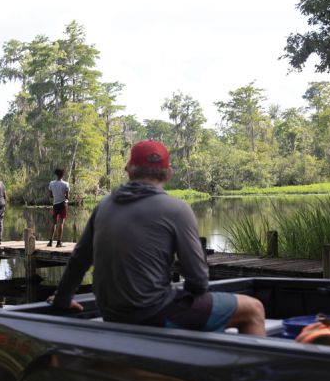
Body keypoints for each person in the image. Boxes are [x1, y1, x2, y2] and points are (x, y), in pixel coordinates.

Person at [48, 140, 265, 336]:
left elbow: (79, 260)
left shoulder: (104, 205)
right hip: (152, 314)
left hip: (112, 313)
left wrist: (62, 299)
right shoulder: (176, 208)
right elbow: (198, 282)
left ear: (128, 170)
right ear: (168, 173)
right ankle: (254, 380)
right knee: (253, 308)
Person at [47, 168, 70, 247]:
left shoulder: (51, 183)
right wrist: (64, 195)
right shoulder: (66, 184)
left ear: (56, 175)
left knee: (54, 223)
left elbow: (50, 195)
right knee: (61, 223)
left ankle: (50, 242)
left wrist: (56, 195)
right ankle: (59, 242)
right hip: (63, 205)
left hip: (55, 205)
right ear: (62, 175)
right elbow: (67, 197)